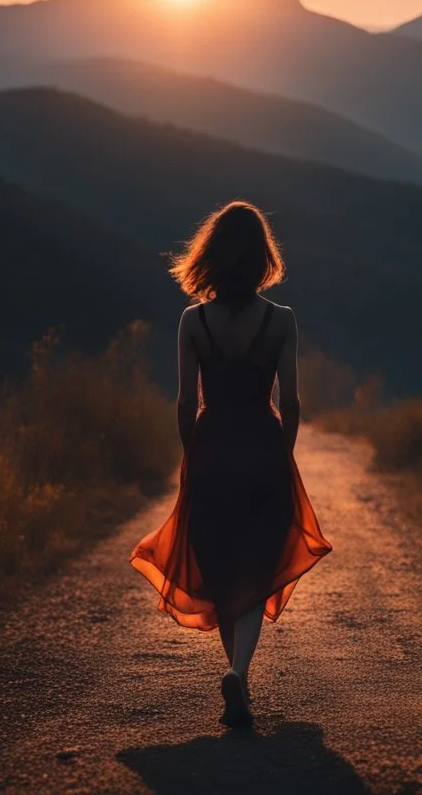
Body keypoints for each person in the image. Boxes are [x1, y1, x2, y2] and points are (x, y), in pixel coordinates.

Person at [130, 200, 332, 727]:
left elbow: (183, 404)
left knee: (221, 565)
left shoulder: (192, 321)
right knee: (257, 565)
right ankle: (239, 676)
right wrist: (281, 455)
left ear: (211, 256)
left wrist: (190, 454)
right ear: (263, 257)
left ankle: (236, 677)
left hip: (212, 446)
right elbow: (290, 403)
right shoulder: (282, 321)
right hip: (262, 446)